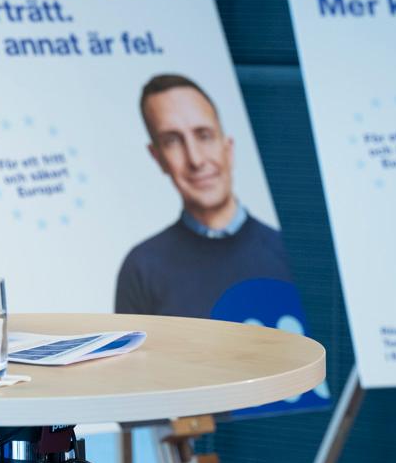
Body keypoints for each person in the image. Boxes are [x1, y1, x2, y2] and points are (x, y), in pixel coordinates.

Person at [115, 73, 292, 317]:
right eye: (172, 141)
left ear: (227, 147)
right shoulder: (142, 269)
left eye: (204, 135)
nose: (196, 159)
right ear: (158, 158)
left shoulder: (288, 252)